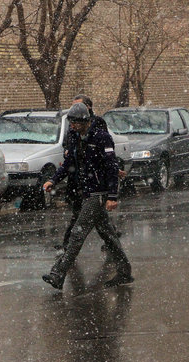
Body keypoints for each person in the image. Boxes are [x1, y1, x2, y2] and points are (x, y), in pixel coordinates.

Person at [42, 102, 133, 289]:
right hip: (86, 191)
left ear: (86, 121)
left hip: (97, 193)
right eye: (71, 123)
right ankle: (124, 271)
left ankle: (58, 274)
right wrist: (54, 179)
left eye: (76, 123)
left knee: (77, 233)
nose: (73, 126)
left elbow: (111, 166)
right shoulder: (75, 137)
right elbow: (68, 163)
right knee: (108, 235)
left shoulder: (102, 137)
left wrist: (112, 196)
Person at [58, 94, 124, 252]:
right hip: (79, 177)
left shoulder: (97, 125)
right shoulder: (74, 127)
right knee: (95, 218)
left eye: (79, 106)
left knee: (83, 218)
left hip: (94, 181)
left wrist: (112, 172)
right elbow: (70, 146)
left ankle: (66, 251)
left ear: (88, 107)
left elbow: (105, 153)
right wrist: (69, 152)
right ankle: (114, 246)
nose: (75, 110)